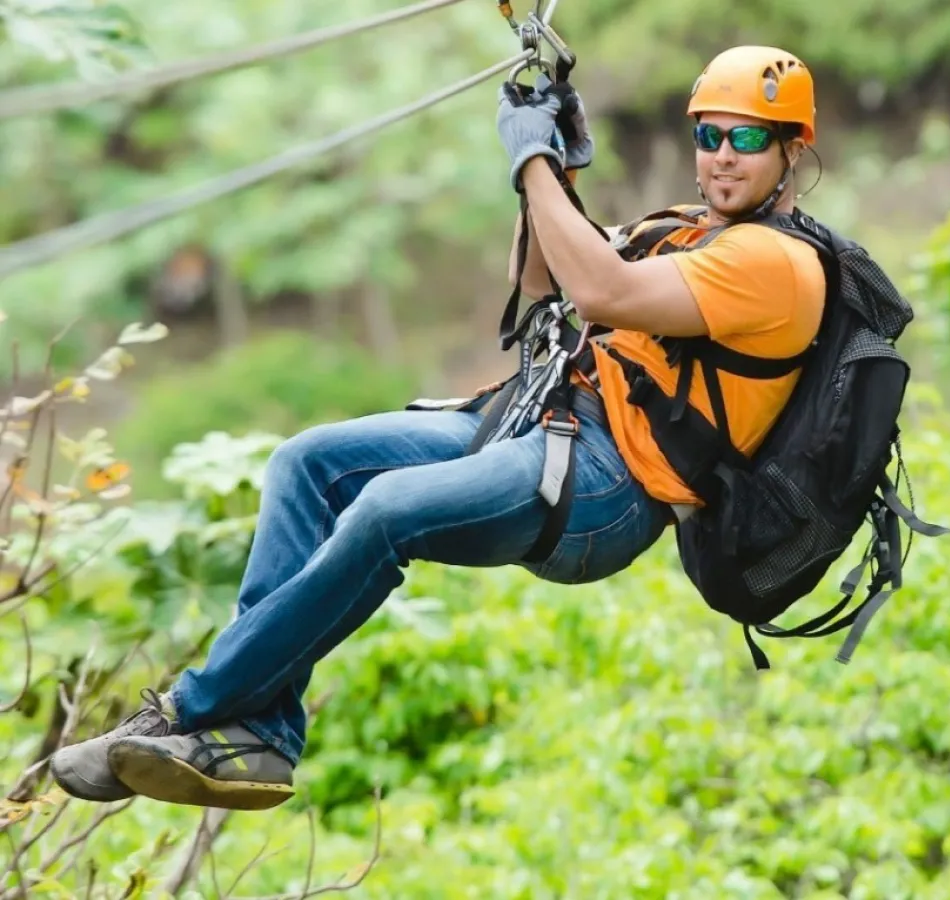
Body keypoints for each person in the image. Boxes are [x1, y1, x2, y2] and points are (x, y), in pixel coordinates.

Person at [49, 45, 827, 811]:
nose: (723, 157)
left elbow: (600, 293)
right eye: (709, 136)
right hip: (538, 420)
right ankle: (263, 736)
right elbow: (539, 279)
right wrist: (557, 173)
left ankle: (188, 711)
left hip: (610, 486)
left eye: (749, 138)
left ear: (794, 150)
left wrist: (529, 163)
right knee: (306, 462)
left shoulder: (776, 266)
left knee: (387, 511)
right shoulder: (690, 228)